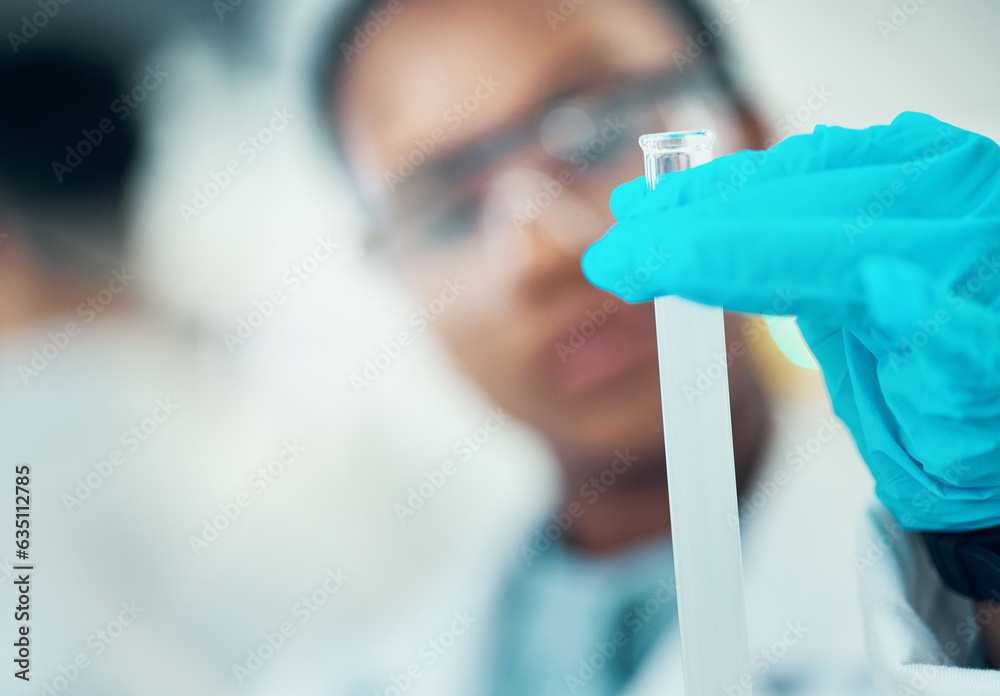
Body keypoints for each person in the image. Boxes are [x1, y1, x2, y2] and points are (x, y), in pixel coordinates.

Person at [313, 0, 1000, 693]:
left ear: (752, 139)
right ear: (394, 279)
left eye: (596, 133)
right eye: (450, 210)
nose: (541, 251)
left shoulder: (966, 568)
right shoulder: (337, 677)